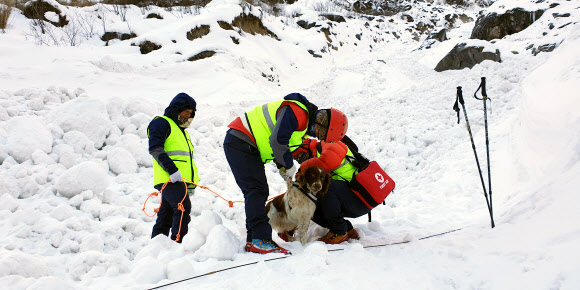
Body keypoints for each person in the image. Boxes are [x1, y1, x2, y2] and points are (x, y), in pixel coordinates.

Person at [223, 93, 348, 254]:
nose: (317, 136)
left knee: (257, 190)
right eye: (321, 134)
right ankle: (259, 240)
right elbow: (277, 141)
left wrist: (284, 167)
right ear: (322, 125)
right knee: (256, 189)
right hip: (241, 140)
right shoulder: (298, 112)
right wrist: (288, 166)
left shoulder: (300, 125)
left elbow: (281, 147)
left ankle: (254, 238)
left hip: (244, 143)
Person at [289, 132, 368, 244]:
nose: (299, 160)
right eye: (296, 159)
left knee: (327, 187)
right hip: (351, 198)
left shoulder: (329, 143)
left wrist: (303, 168)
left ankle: (339, 231)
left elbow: (327, 161)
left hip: (361, 197)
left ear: (306, 148)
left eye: (299, 156)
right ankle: (347, 229)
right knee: (309, 200)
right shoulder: (317, 162)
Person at [148, 92, 199, 243]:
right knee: (183, 208)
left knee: (166, 214)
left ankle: (157, 246)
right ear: (177, 109)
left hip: (178, 180)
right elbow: (155, 148)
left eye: (191, 114)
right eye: (186, 112)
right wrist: (172, 170)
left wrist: (189, 184)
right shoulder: (161, 122)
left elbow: (185, 160)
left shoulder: (182, 132)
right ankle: (178, 246)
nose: (188, 116)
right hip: (169, 178)